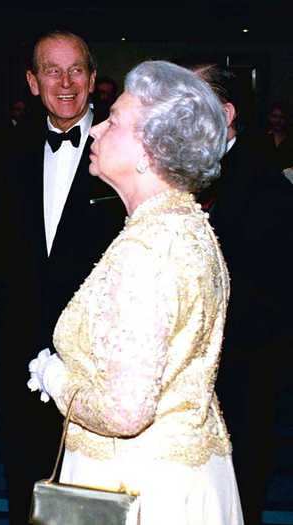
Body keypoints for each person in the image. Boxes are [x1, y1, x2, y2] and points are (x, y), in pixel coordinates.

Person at [28, 60, 243, 525]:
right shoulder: (186, 224)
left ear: (150, 151)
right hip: (183, 471)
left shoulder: (147, 250)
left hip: (134, 486)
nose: (97, 128)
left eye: (115, 121)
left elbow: (125, 413)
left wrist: (53, 376)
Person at [0, 30, 124, 524]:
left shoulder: (123, 148)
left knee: (94, 487)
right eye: (52, 70)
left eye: (76, 71)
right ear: (32, 82)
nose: (65, 83)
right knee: (24, 477)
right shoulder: (8, 150)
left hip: (98, 351)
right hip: (21, 347)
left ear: (93, 80)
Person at [192, 63, 293, 525]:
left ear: (226, 113)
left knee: (237, 485)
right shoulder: (194, 168)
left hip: (242, 366)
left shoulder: (263, 182)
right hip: (200, 367)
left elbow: (263, 290)